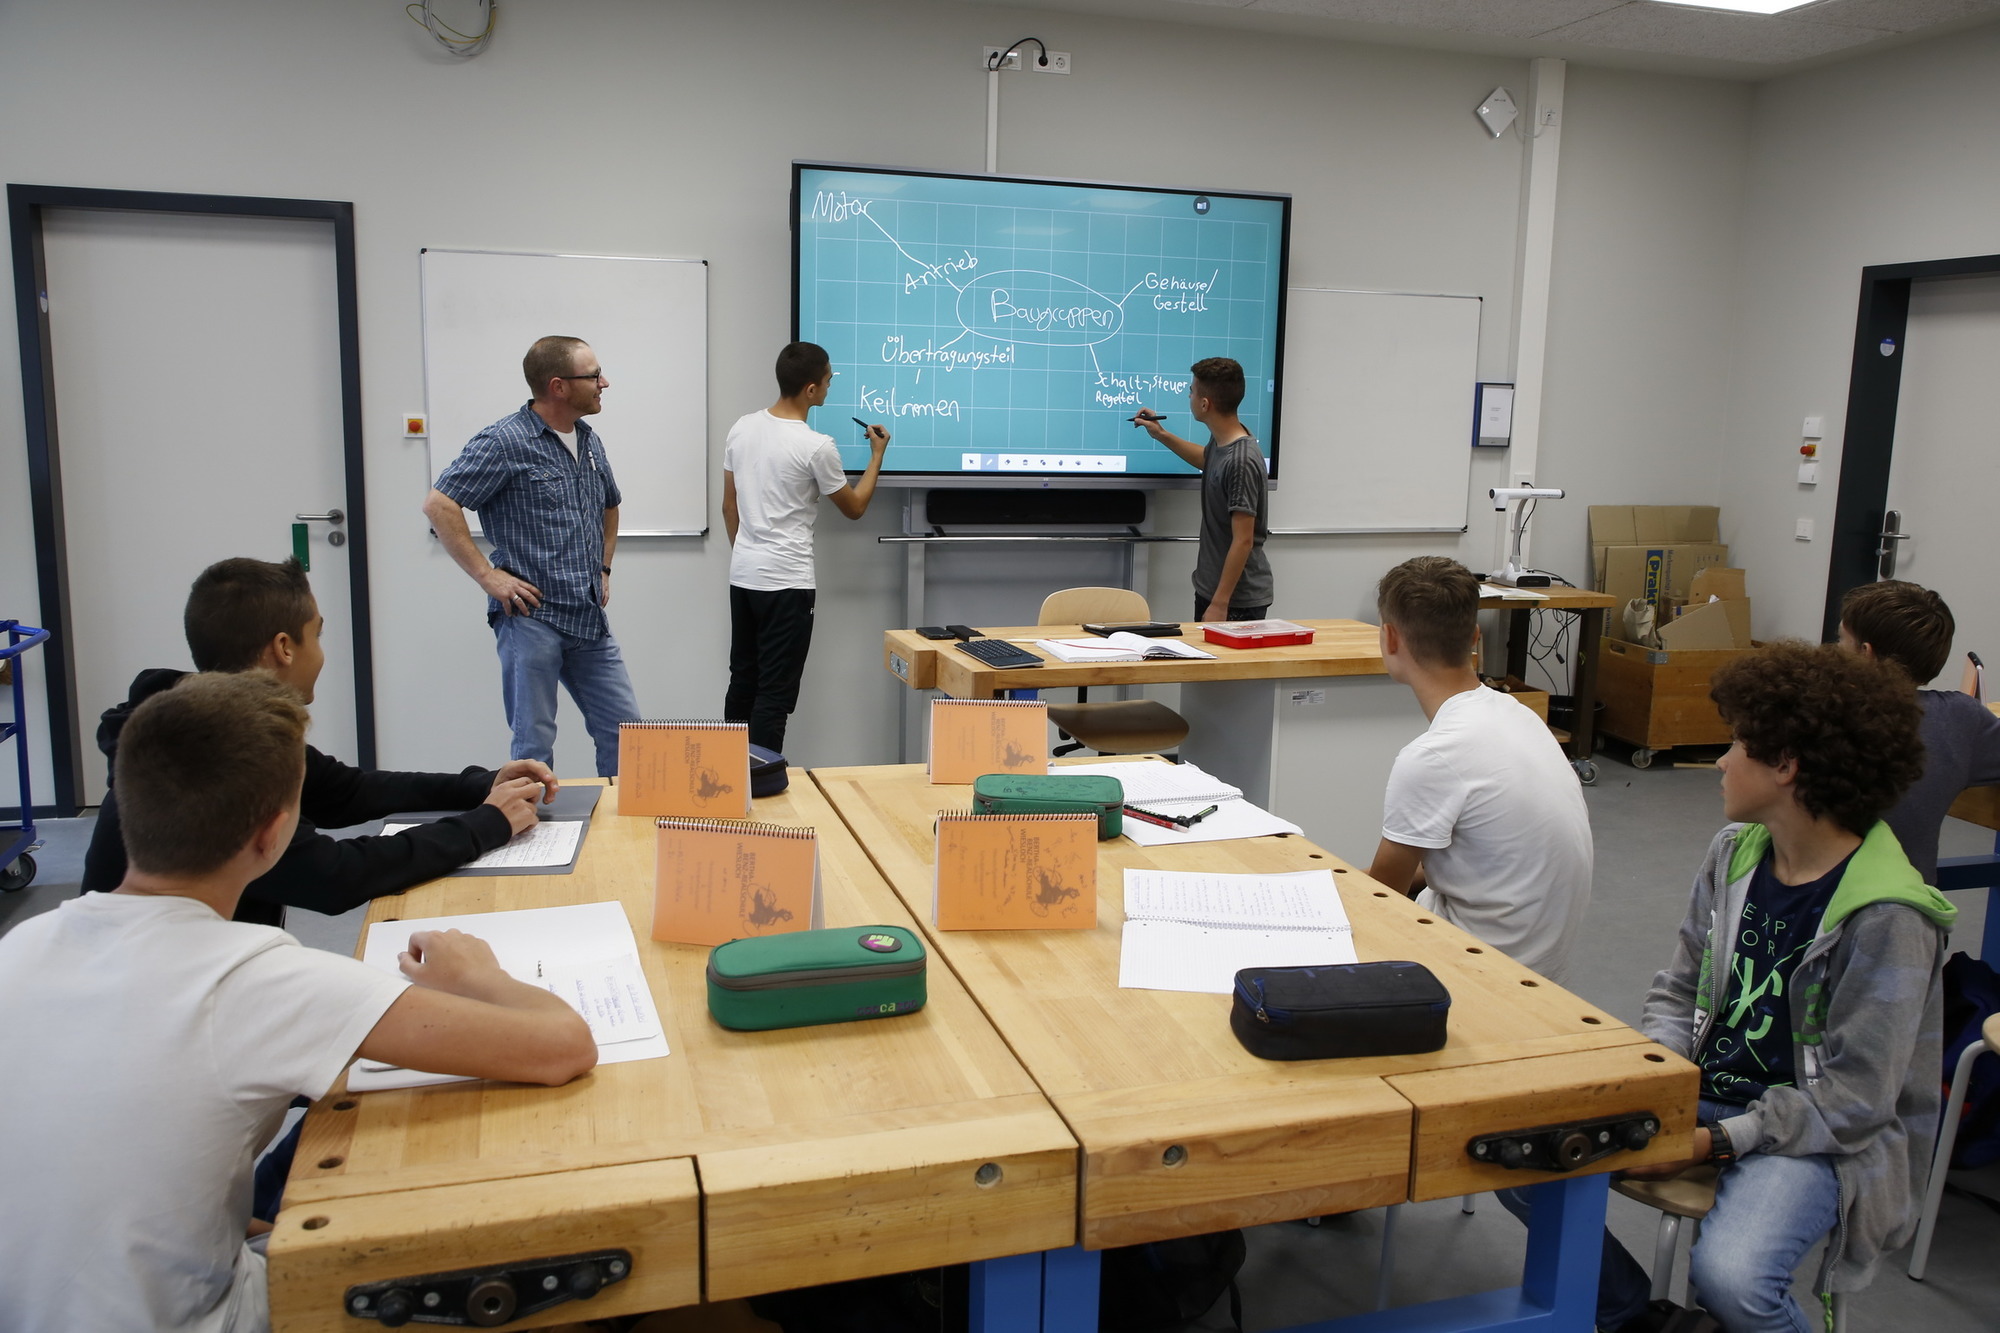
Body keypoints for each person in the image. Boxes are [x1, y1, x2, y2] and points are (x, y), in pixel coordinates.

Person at [0, 671, 596, 1332]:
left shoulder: (22, 945)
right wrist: (479, 973)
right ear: (274, 832)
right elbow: (563, 1045)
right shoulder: (259, 981)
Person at [1566, 642, 1952, 1333]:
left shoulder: (1889, 915)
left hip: (1818, 1137)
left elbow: (1856, 1101)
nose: (1719, 759)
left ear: (1786, 766)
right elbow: (1679, 988)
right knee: (1514, 1157)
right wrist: (1664, 1079)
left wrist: (1718, 1141)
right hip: (1707, 1097)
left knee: (1734, 1278)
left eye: (1737, 742)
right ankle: (1640, 1319)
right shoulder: (1736, 853)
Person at [80, 557, 554, 924]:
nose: (322, 653)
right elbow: (333, 877)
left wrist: (479, 784)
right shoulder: (208, 761)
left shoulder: (216, 722)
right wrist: (486, 824)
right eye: (317, 635)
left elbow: (346, 791)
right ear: (285, 647)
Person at [1365, 555, 1593, 983]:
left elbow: (1382, 895)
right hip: (1543, 964)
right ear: (1474, 637)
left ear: (1390, 638)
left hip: (1477, 972)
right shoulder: (1520, 716)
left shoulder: (1433, 756)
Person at [424, 335, 641, 775]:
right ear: (558, 386)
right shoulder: (506, 441)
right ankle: (531, 838)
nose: (605, 382)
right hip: (532, 620)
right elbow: (439, 504)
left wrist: (603, 567)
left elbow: (610, 504)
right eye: (594, 374)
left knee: (626, 736)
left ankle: (626, 838)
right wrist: (488, 577)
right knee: (533, 745)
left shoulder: (589, 440)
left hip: (587, 619)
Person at [721, 341, 890, 752]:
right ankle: (759, 789)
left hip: (744, 575)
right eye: (829, 380)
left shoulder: (742, 426)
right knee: (774, 692)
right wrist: (876, 455)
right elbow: (854, 507)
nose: (831, 386)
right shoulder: (816, 446)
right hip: (788, 584)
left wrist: (749, 554)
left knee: (743, 679)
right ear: (811, 390)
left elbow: (730, 506)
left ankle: (729, 778)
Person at [1837, 579, 2000, 883]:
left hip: (1809, 908)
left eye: (1840, 641)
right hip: (1908, 906)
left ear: (1865, 652)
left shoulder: (1814, 713)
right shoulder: (1960, 718)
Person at [1133, 356, 1273, 622]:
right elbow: (1209, 461)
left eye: (1192, 391)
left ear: (1205, 404)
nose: (1189, 396)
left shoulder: (1241, 460)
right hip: (1214, 589)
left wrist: (1220, 603)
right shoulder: (1225, 440)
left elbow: (1242, 540)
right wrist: (1161, 434)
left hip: (1235, 599)